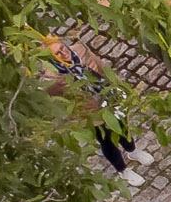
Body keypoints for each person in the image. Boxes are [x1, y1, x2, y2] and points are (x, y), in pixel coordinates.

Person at [40, 32, 149, 186]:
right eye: (57, 53)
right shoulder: (53, 77)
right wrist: (76, 117)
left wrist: (116, 84)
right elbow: (59, 102)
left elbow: (101, 66)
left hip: (108, 98)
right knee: (107, 139)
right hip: (89, 111)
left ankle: (132, 150)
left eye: (62, 48)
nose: (63, 53)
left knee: (122, 124)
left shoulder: (79, 49)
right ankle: (122, 169)